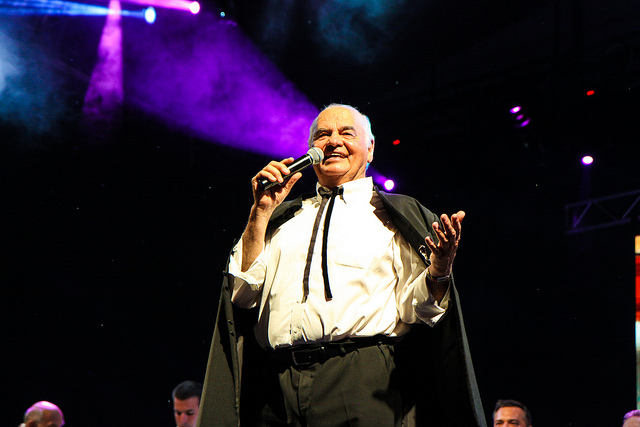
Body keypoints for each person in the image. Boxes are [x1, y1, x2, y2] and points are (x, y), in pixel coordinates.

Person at [197, 103, 485, 426]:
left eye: (347, 133)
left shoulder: (394, 215)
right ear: (311, 150)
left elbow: (418, 310)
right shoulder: (281, 219)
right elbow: (241, 295)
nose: (333, 141)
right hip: (276, 387)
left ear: (370, 148)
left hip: (359, 379)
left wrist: (439, 270)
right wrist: (261, 212)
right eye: (322, 135)